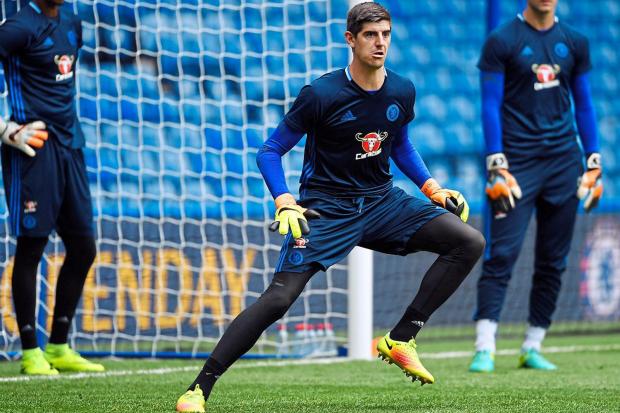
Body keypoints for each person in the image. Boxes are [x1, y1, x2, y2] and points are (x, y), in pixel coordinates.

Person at [176, 2, 485, 411]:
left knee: (468, 242)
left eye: (386, 34)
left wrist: (432, 188)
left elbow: (400, 144)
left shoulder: (402, 90)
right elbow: (270, 151)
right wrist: (285, 201)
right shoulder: (321, 94)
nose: (380, 43)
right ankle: (198, 389)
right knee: (279, 299)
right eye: (371, 35)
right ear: (350, 39)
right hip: (327, 210)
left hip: (382, 202)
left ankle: (401, 337)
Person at [470, 0, 602, 373]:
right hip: (516, 165)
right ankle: (484, 346)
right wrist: (496, 161)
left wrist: (593, 158)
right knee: (501, 254)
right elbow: (490, 105)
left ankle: (533, 344)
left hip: (564, 163)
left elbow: (584, 104)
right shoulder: (501, 41)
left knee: (553, 260)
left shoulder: (575, 42)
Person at [0, 0, 103, 375]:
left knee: (83, 247)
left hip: (70, 145)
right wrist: (6, 129)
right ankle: (30, 351)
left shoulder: (73, 22)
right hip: (34, 148)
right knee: (32, 247)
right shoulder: (18, 28)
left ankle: (58, 346)